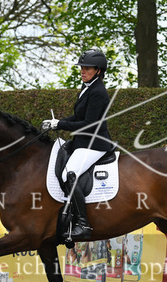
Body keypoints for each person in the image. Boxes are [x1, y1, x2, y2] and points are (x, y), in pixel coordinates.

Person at [42, 48, 116, 240]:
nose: (83, 71)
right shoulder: (87, 87)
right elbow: (78, 117)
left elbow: (89, 124)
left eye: (87, 68)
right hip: (83, 141)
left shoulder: (98, 92)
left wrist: (60, 125)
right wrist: (57, 122)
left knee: (70, 173)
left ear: (98, 70)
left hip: (95, 143)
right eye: (82, 67)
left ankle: (83, 224)